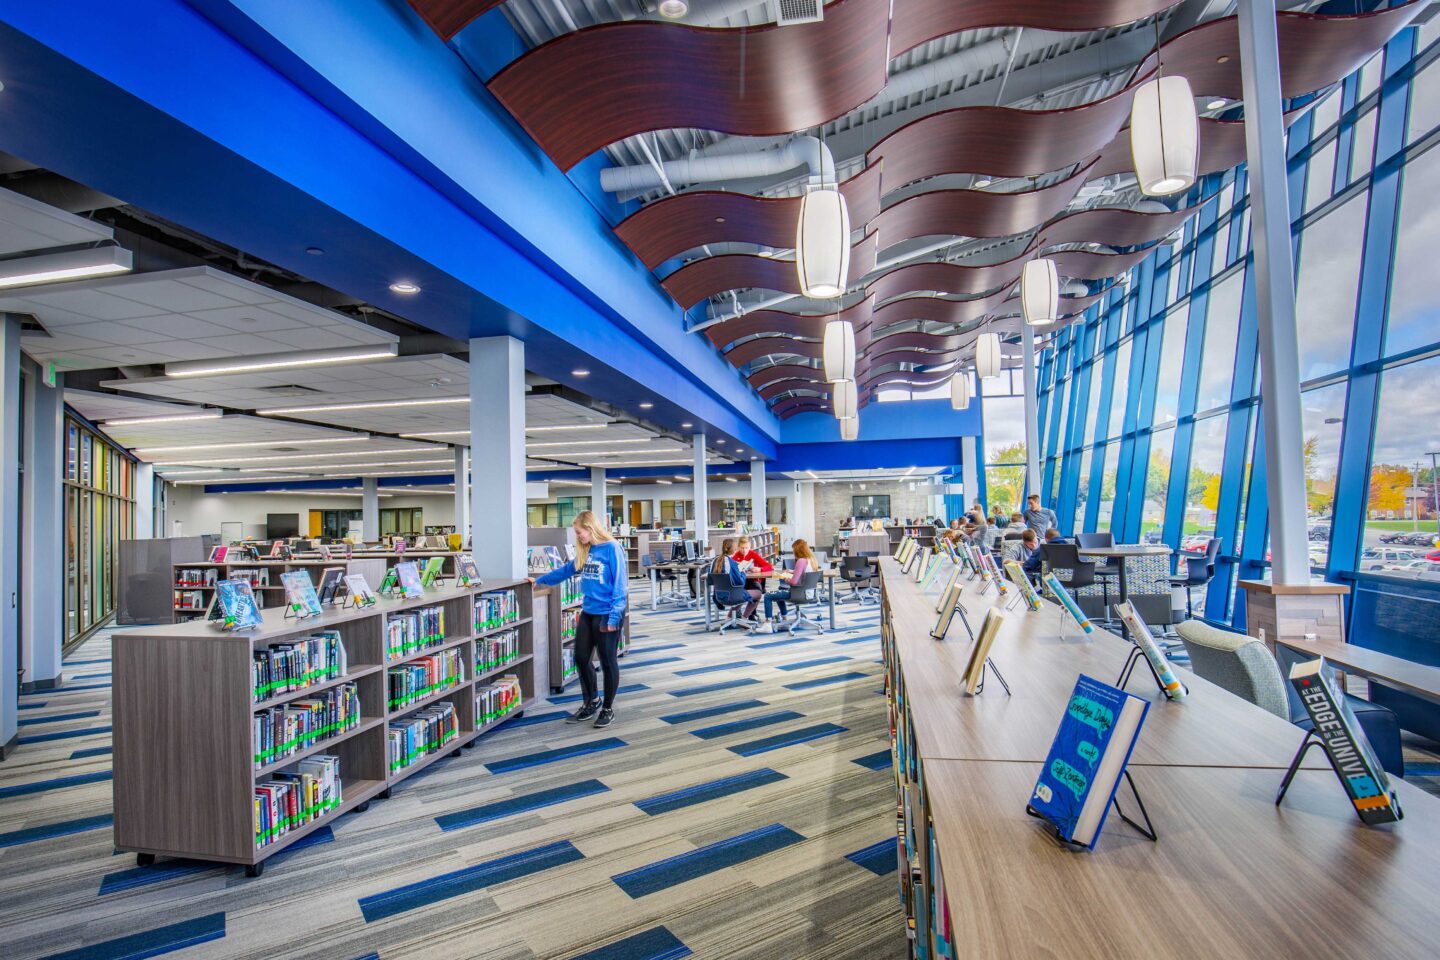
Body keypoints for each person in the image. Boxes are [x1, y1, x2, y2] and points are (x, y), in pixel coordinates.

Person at [529, 511, 627, 729]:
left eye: (579, 532)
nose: (578, 537)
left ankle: (608, 708)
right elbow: (566, 571)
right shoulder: (586, 550)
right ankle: (592, 701)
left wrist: (614, 616)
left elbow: (621, 586)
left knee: (607, 660)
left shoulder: (612, 548)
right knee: (581, 658)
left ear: (590, 529)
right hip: (589, 612)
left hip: (608, 613)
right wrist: (539, 581)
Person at [754, 539, 816, 632]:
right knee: (779, 592)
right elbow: (803, 573)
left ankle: (767, 624)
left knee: (768, 596)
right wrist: (792, 571)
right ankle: (784, 618)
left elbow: (794, 582)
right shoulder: (811, 560)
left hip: (797, 594)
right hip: (809, 593)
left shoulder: (801, 561)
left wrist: (785, 578)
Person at [710, 537, 761, 622]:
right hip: (732, 596)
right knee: (758, 593)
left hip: (718, 596)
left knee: (739, 592)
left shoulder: (714, 561)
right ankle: (744, 618)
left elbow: (710, 580)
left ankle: (729, 617)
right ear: (734, 550)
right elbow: (740, 582)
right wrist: (743, 572)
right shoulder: (733, 564)